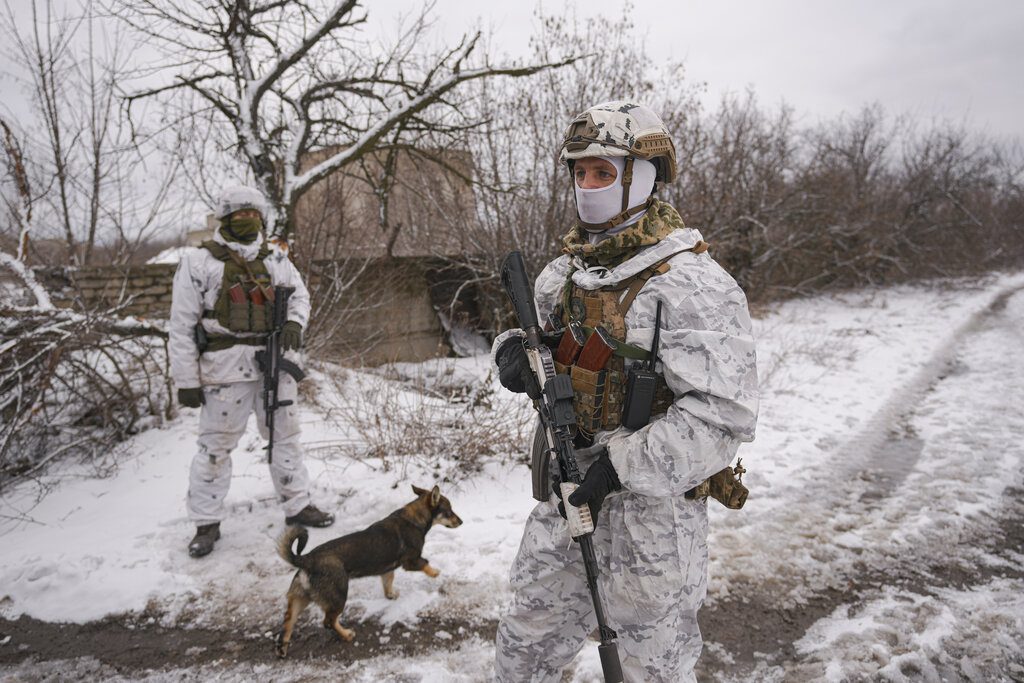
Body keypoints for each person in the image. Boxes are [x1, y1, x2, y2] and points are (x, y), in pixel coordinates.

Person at [491, 102, 759, 682]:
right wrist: (511, 354)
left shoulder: (692, 284)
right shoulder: (563, 274)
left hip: (652, 521)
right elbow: (529, 336)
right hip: (566, 492)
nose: (587, 186)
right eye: (579, 173)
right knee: (526, 645)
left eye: (602, 173)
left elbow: (722, 416)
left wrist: (617, 469)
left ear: (643, 174)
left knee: (650, 667)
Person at [169, 185, 334, 558]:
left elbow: (300, 296)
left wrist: (294, 323)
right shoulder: (198, 262)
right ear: (225, 219)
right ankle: (206, 523)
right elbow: (180, 326)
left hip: (275, 362)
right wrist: (186, 381)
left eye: (253, 215)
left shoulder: (275, 259)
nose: (248, 220)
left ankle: (298, 505)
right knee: (215, 448)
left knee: (286, 438)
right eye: (239, 215)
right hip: (224, 369)